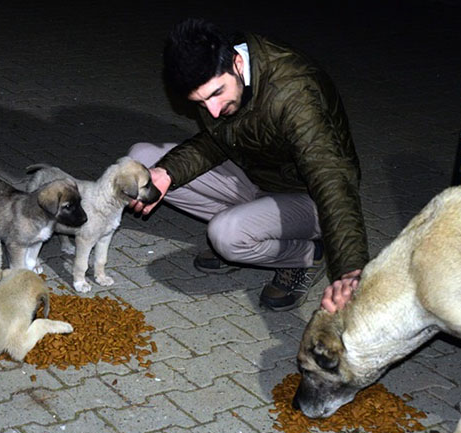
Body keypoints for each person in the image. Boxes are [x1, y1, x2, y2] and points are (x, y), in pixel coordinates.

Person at [128, 18, 367, 312]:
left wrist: (350, 271)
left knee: (225, 236)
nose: (213, 111)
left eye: (216, 94)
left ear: (237, 63)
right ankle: (251, 234)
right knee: (142, 164)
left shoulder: (295, 92)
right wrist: (167, 172)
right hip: (257, 174)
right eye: (201, 103)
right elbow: (217, 141)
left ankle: (307, 255)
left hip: (310, 196)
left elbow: (332, 180)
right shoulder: (223, 83)